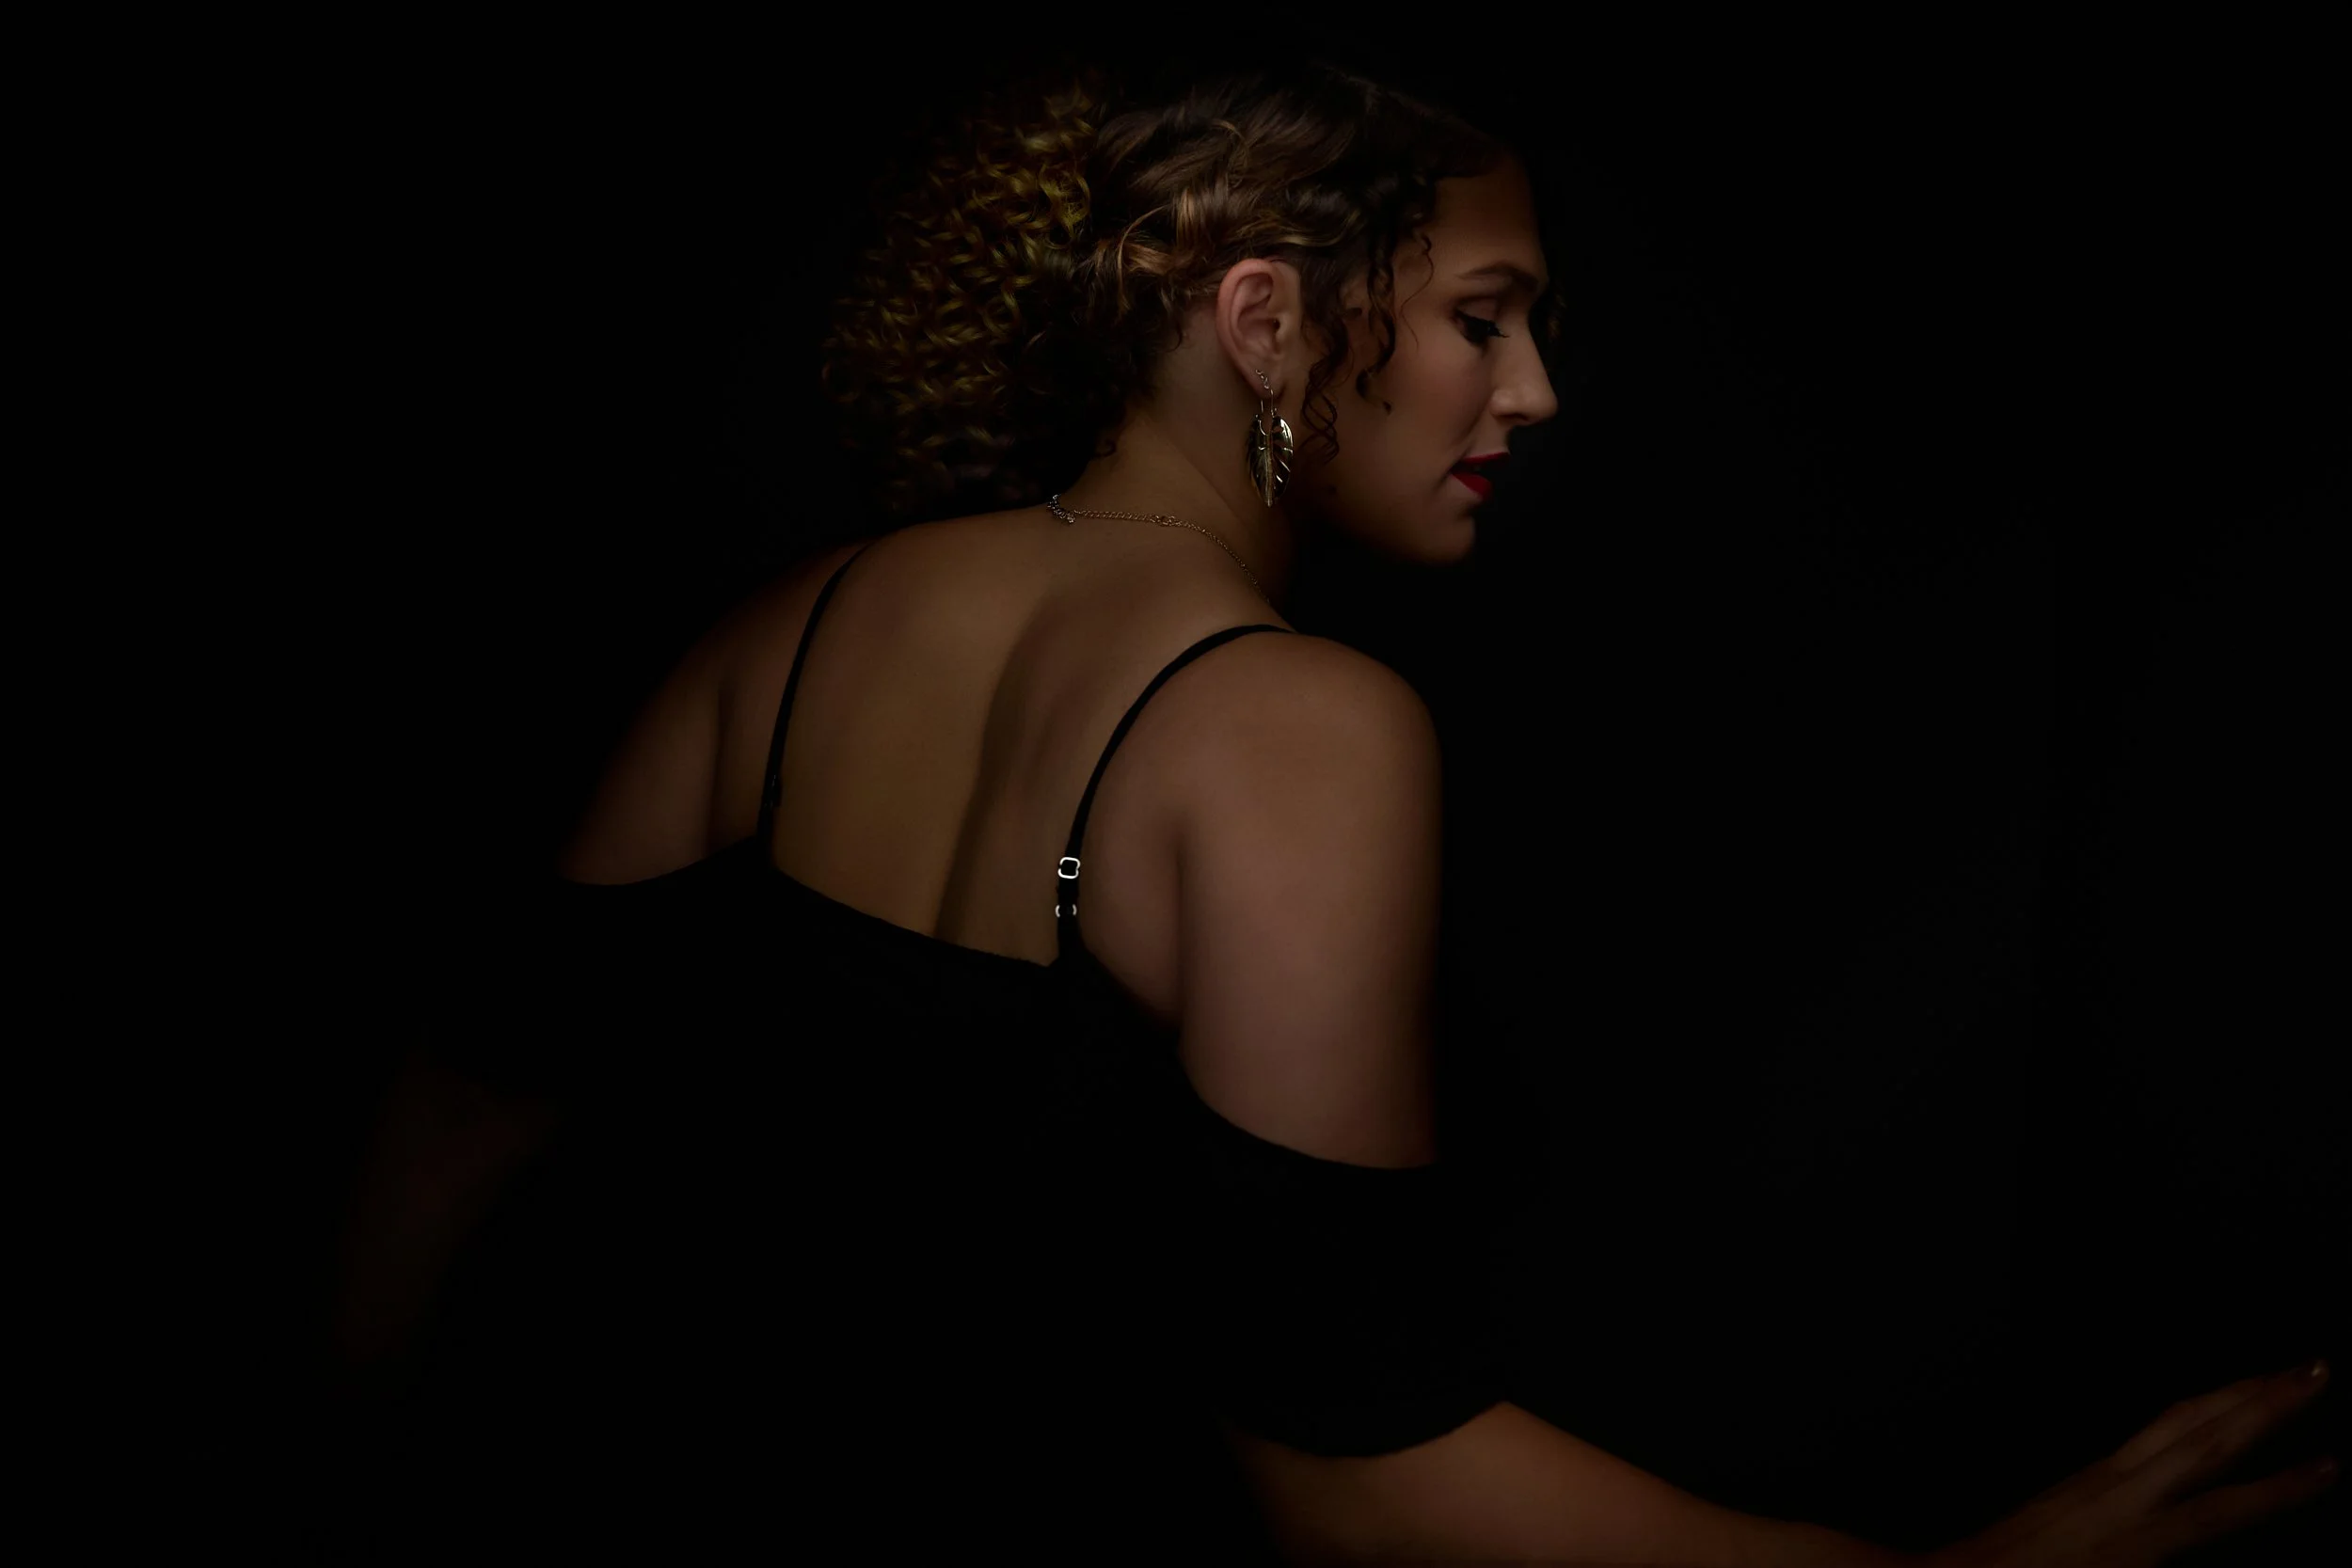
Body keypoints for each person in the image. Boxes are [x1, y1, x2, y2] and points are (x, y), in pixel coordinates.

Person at [342, 58, 2335, 1563]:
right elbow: (1348, 1472)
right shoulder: (1297, 729)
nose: (1531, 391)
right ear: (1266, 321)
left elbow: (461, 1110)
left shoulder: (790, 627)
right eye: (1484, 315)